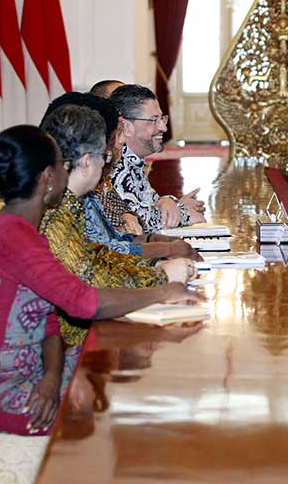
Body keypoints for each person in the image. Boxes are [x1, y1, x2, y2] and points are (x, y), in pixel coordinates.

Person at [0, 125, 201, 436]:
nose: (67, 173)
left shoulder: (20, 229)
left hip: (33, 374)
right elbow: (84, 302)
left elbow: (49, 319)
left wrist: (52, 376)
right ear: (47, 178)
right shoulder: (15, 238)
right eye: (62, 165)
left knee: (117, 377)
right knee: (111, 416)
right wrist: (162, 292)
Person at [40, 104, 197, 347]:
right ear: (85, 162)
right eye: (104, 156)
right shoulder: (54, 214)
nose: (106, 164)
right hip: (70, 347)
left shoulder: (71, 204)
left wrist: (157, 270)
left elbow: (101, 257)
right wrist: (161, 280)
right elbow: (91, 287)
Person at [42, 92, 196, 260]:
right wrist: (161, 272)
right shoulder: (55, 208)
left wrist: (156, 240)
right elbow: (95, 267)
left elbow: (116, 238)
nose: (110, 154)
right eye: (104, 153)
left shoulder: (82, 194)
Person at [110, 84, 206, 231]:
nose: (163, 127)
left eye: (162, 119)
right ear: (127, 127)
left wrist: (175, 204)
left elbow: (150, 203)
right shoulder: (115, 163)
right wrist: (184, 214)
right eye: (154, 120)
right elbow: (134, 220)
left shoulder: (134, 160)